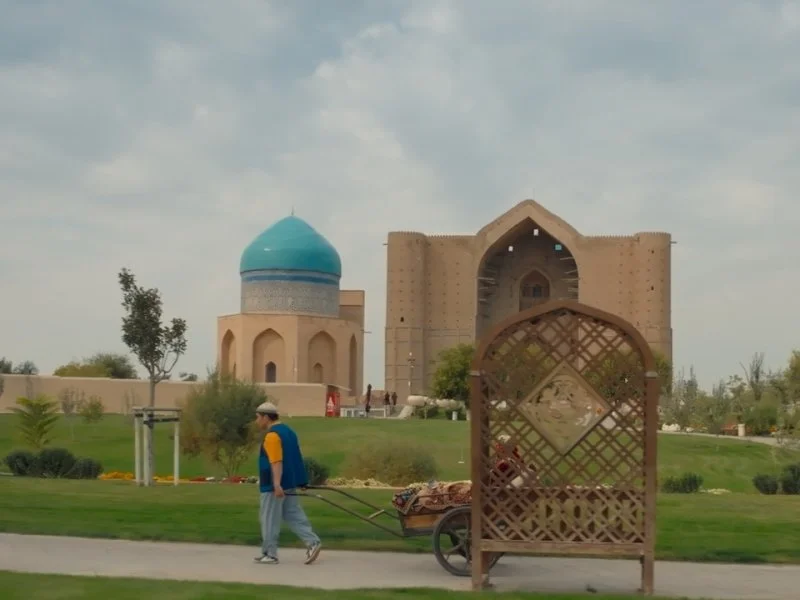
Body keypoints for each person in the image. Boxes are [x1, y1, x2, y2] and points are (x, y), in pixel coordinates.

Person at [254, 401, 322, 565]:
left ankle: (270, 554)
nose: (257, 421)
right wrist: (301, 481)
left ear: (266, 417)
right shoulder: (289, 432)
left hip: (273, 485)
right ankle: (312, 542)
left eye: (258, 417)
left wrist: (276, 484)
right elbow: (296, 458)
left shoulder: (272, 436)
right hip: (289, 482)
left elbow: (276, 461)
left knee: (269, 518)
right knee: (292, 514)